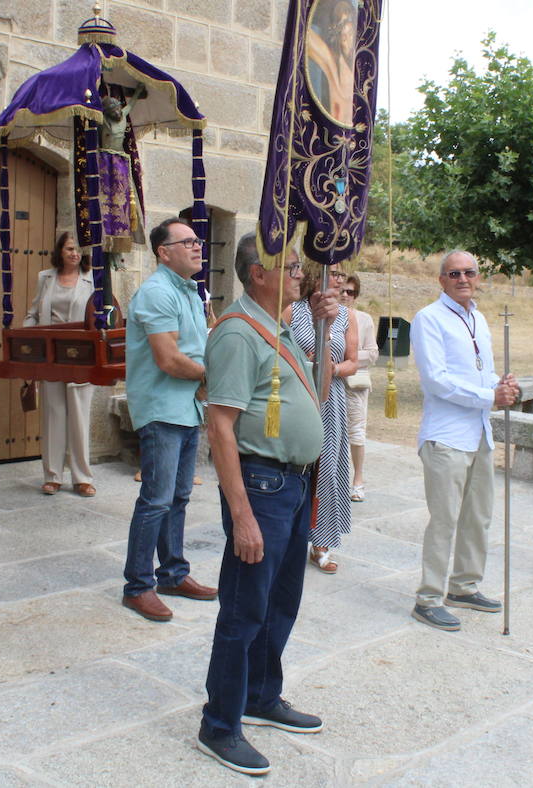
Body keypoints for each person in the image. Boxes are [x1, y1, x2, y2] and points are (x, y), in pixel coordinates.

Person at [196, 233, 336, 776]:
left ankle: (260, 694)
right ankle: (220, 723)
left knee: (281, 600)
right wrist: (242, 515)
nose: (302, 275)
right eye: (293, 267)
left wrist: (322, 331)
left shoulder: (279, 328)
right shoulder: (236, 333)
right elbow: (221, 426)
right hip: (263, 486)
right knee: (244, 606)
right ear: (258, 273)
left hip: (295, 485)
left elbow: (318, 394)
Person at [409, 251, 519, 631]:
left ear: (477, 276)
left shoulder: (479, 318)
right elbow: (436, 380)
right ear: (441, 280)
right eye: (453, 273)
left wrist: (499, 385)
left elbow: (481, 373)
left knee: (478, 516)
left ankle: (464, 586)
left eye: (469, 272)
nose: (462, 278)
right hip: (447, 437)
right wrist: (489, 397)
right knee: (444, 520)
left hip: (479, 433)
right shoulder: (428, 319)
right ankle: (428, 597)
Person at [120, 218, 218, 621]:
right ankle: (137, 586)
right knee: (156, 499)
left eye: (198, 241)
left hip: (186, 407)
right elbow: (169, 359)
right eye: (188, 242)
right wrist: (214, 376)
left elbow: (199, 344)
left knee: (178, 497)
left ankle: (173, 573)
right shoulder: (157, 292)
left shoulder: (191, 292)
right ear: (164, 252)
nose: (198, 247)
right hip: (162, 408)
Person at [287, 267, 357, 573]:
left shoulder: (346, 316)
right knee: (298, 464)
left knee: (327, 467)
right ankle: (290, 536)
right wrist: (309, 364)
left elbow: (353, 361)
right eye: (335, 272)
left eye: (343, 274)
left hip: (333, 400)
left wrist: (332, 368)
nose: (339, 279)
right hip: (301, 394)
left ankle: (322, 541)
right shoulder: (292, 310)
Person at [24, 231, 97, 496]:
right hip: (50, 354)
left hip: (81, 354)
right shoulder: (46, 278)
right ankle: (52, 475)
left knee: (79, 415)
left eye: (78, 249)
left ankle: (82, 478)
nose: (74, 253)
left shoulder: (93, 278)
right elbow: (32, 313)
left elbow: (103, 315)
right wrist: (26, 341)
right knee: (54, 413)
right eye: (69, 249)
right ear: (59, 251)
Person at [342, 274, 378, 502]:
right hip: (329, 382)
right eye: (342, 290)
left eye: (351, 292)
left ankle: (358, 479)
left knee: (356, 433)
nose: (345, 295)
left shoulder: (364, 319)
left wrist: (350, 356)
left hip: (354, 384)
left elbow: (372, 353)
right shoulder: (324, 315)